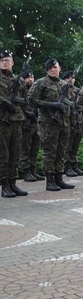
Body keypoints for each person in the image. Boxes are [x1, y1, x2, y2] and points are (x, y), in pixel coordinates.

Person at [29, 58, 75, 191]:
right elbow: (31, 100)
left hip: (63, 122)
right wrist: (51, 104)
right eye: (51, 68)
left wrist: (71, 121)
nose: (54, 70)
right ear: (47, 70)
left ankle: (59, 178)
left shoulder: (63, 84)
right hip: (48, 123)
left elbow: (70, 103)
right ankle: (50, 180)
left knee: (62, 151)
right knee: (50, 152)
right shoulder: (41, 83)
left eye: (56, 67)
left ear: (60, 68)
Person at [0, 50, 28, 198]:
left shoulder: (19, 80)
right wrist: (5, 102)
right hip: (2, 121)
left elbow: (26, 100)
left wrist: (20, 111)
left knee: (15, 153)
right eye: (2, 60)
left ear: (13, 63)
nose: (5, 62)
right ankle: (4, 185)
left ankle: (13, 183)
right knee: (3, 154)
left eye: (7, 60)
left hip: (17, 120)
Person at [19, 70, 43, 182]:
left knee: (35, 148)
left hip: (36, 124)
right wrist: (27, 115)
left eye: (32, 77)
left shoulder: (35, 92)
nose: (30, 79)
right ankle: (26, 172)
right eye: (28, 77)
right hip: (25, 123)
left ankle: (33, 170)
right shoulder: (20, 91)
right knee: (25, 149)